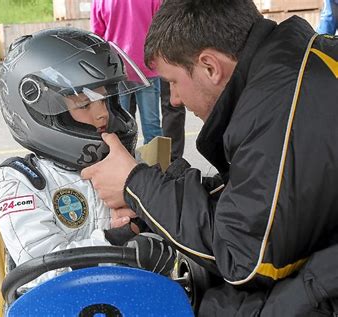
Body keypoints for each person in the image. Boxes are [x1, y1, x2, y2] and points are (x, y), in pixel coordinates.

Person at [81, 0, 338, 315]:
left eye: (173, 81)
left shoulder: (283, 107)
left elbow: (243, 259)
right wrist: (151, 198)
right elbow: (255, 194)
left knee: (208, 305)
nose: (173, 99)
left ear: (210, 67)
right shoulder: (292, 66)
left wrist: (136, 185)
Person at [0, 28, 174, 287]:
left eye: (106, 100)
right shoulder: (21, 180)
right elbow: (41, 269)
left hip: (128, 296)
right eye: (84, 104)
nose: (102, 116)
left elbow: (170, 234)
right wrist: (118, 239)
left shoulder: (125, 165)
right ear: (43, 112)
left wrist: (150, 232)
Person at [91, 0, 163, 144]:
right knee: (152, 126)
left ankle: (123, 164)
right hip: (147, 66)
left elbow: (96, 37)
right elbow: (160, 28)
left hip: (115, 69)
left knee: (118, 126)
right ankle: (157, 165)